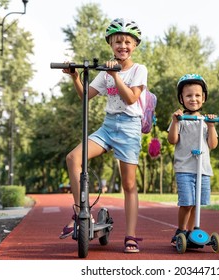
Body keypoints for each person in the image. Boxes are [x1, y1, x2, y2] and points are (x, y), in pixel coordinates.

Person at [59, 18, 147, 253]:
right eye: (118, 41)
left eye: (128, 42)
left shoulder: (139, 70)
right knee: (73, 158)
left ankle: (131, 236)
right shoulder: (105, 72)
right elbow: (85, 96)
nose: (123, 46)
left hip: (129, 128)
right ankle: (80, 212)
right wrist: (75, 77)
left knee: (128, 184)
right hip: (108, 126)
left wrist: (116, 75)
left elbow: (131, 98)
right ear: (110, 43)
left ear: (135, 45)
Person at [167, 74, 219, 246]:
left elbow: (213, 144)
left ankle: (191, 233)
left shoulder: (205, 122)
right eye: (189, 95)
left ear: (203, 98)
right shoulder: (180, 119)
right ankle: (181, 231)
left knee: (197, 203)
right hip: (185, 169)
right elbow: (172, 140)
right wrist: (175, 122)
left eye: (197, 95)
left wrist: (211, 126)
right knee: (187, 203)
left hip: (202, 170)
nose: (193, 99)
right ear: (181, 98)